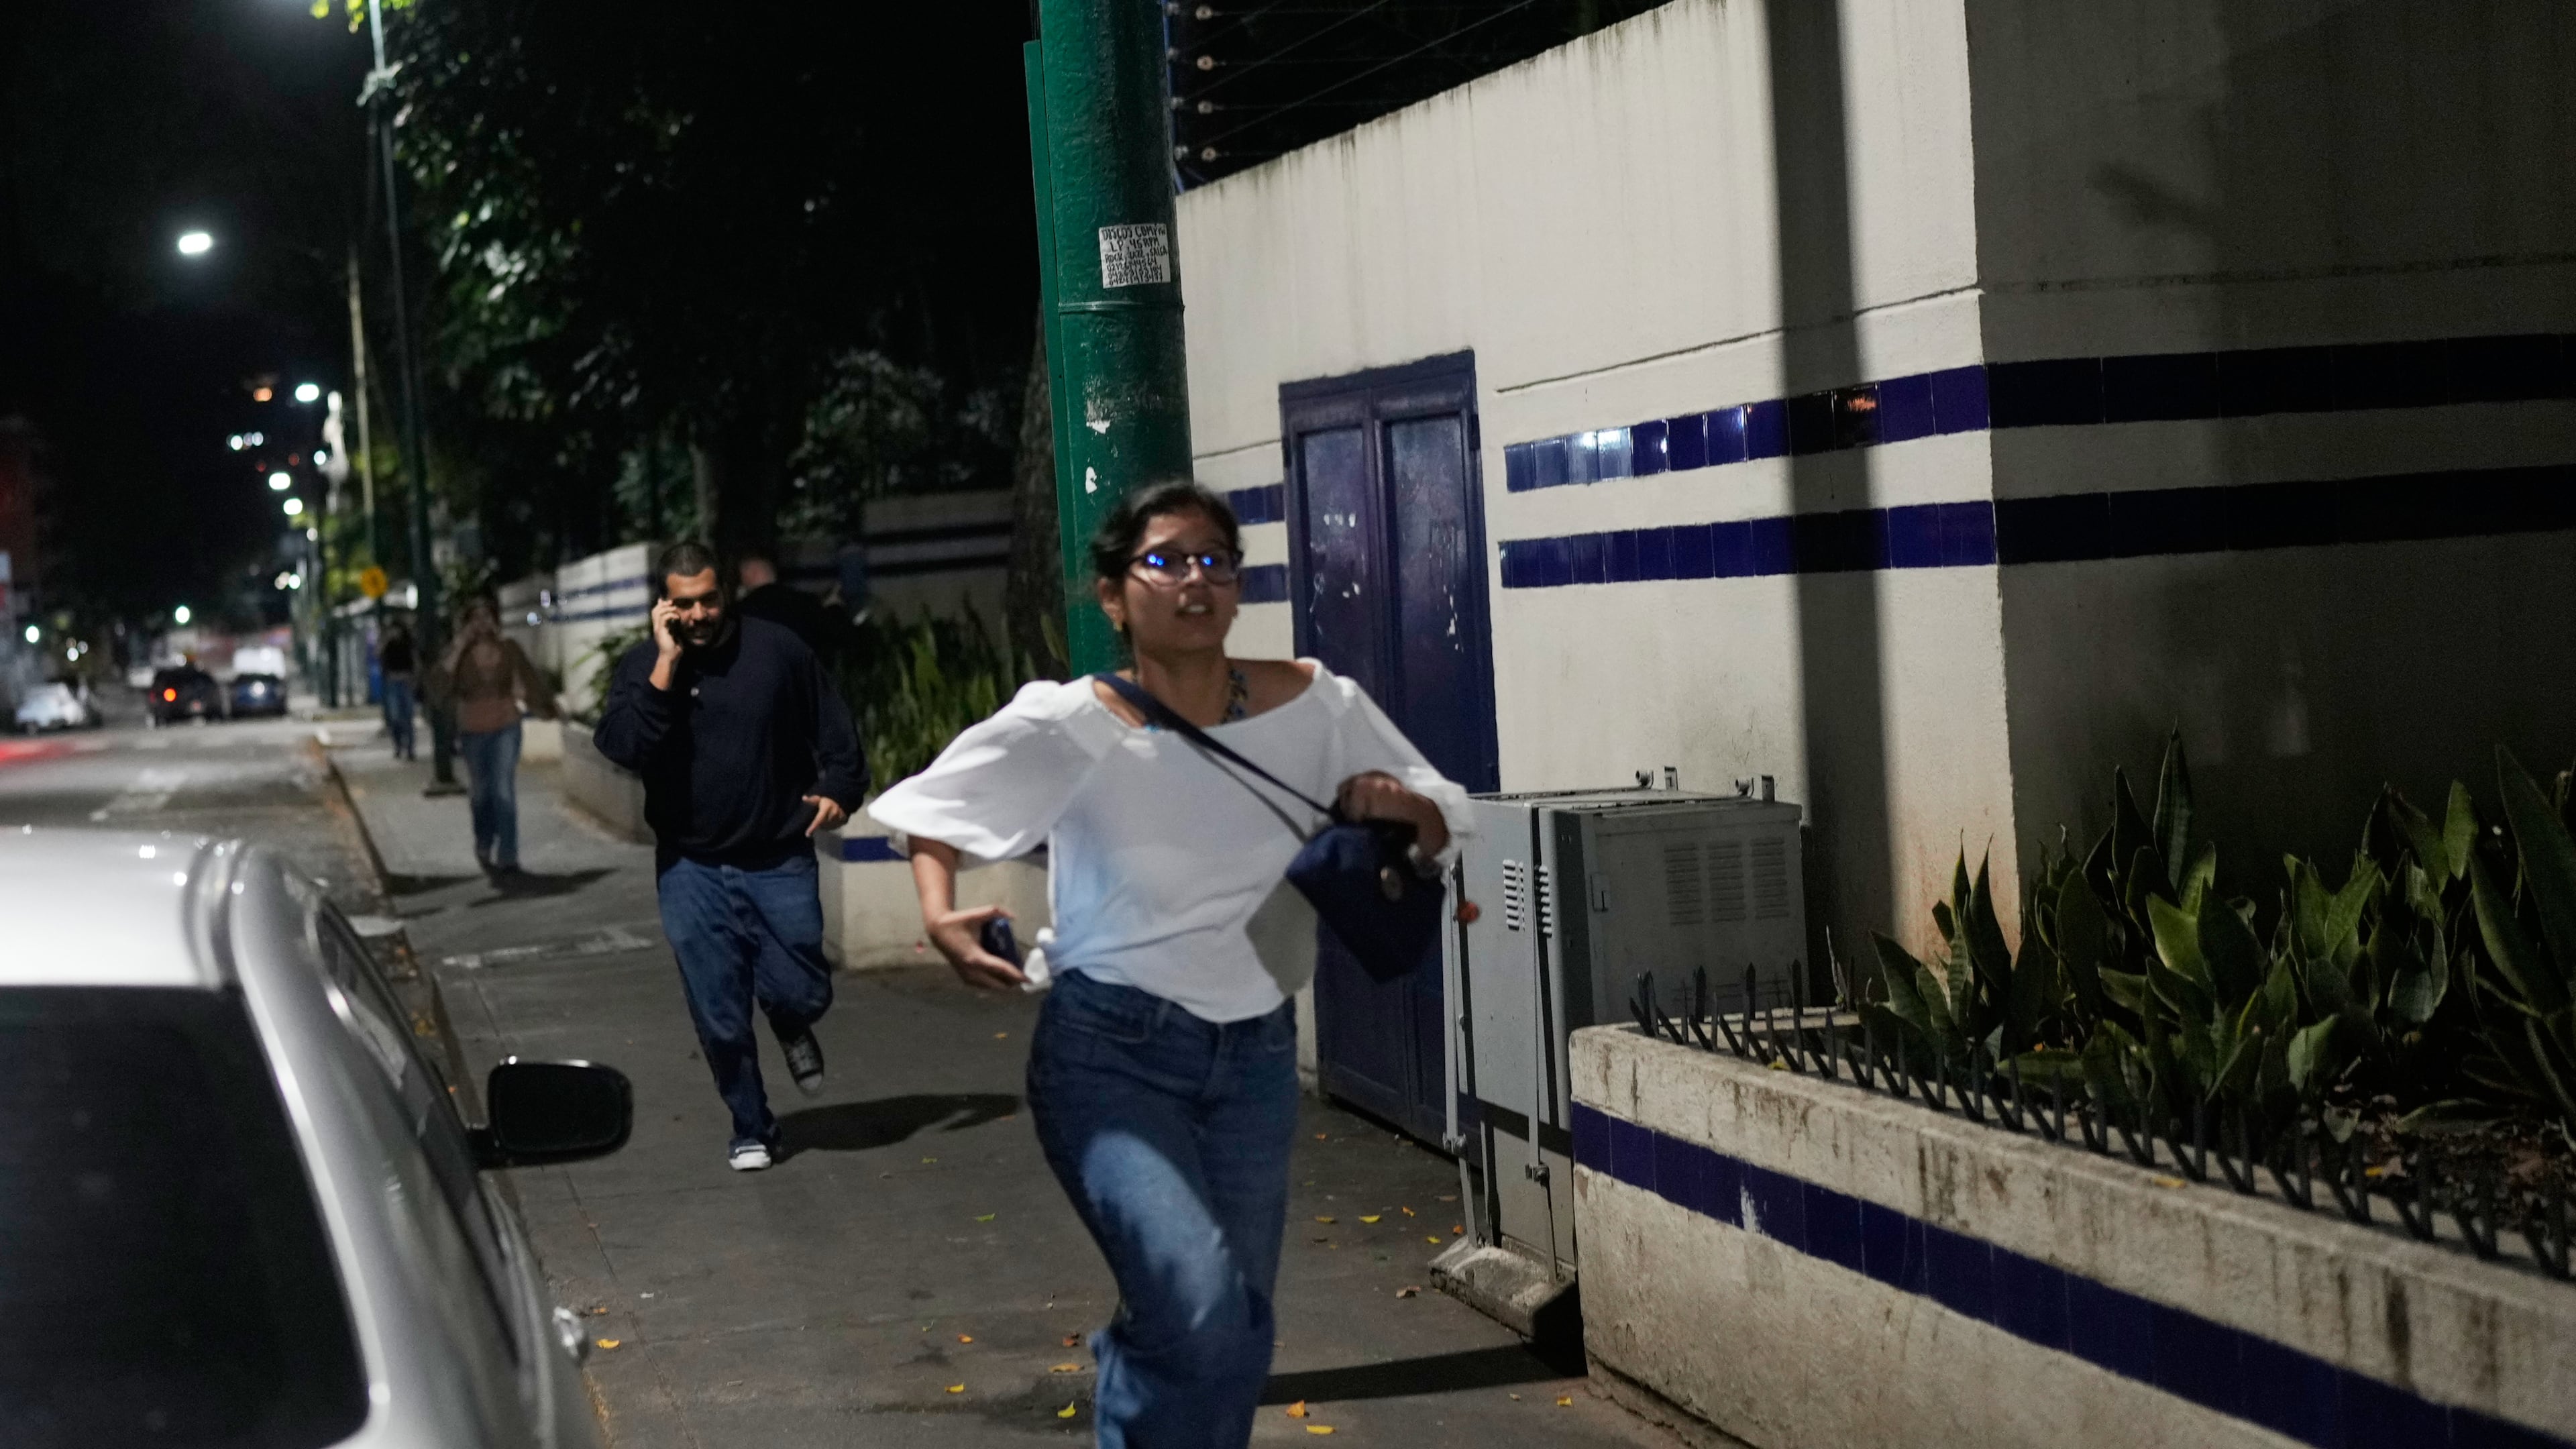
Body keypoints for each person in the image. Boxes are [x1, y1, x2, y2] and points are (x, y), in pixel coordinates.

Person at [867, 480, 1469, 1448]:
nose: (1196, 579)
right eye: (1165, 560)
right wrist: (939, 916)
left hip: (1257, 1058)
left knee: (1230, 1331)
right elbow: (931, 813)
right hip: (1110, 1057)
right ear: (1113, 595)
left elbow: (1444, 811)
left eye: (1214, 561)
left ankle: (1145, 1393)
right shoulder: (1071, 723)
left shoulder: (1321, 706)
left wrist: (1400, 805)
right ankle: (1138, 1382)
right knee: (1196, 1311)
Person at [593, 541, 868, 1172]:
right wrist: (665, 667)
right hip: (691, 867)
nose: (698, 615)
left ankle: (789, 1019)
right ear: (664, 607)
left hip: (780, 854)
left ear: (726, 596)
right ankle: (751, 1125)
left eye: (708, 600)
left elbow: (834, 728)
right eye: (683, 605)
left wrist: (840, 788)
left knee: (803, 990)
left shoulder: (777, 651)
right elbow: (627, 746)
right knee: (718, 1011)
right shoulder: (645, 668)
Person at [427, 596, 556, 876]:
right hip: (472, 729)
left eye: (487, 616)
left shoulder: (509, 649)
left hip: (506, 725)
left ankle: (508, 853)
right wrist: (460, 646)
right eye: (476, 617)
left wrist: (548, 708)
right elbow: (438, 686)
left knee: (503, 790)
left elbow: (530, 680)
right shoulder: (458, 654)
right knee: (481, 794)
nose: (482, 622)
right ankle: (484, 840)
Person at [732, 549, 845, 661]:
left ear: (750, 574)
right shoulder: (806, 602)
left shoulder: (741, 611)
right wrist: (835, 607)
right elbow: (836, 636)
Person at [378, 617, 418, 761]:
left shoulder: (408, 643)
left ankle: (410, 749)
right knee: (395, 718)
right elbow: (378, 654)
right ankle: (399, 745)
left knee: (408, 717)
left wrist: (414, 680)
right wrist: (386, 640)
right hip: (393, 682)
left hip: (405, 681)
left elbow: (414, 661)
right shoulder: (388, 645)